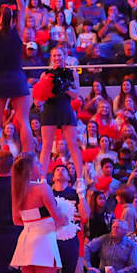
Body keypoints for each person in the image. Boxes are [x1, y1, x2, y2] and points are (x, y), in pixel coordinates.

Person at [10, 152, 62, 273]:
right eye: (38, 164)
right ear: (31, 169)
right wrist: (67, 217)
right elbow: (58, 217)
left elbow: (17, 220)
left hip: (26, 238)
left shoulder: (18, 190)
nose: (41, 166)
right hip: (43, 238)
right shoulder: (42, 188)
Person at [0, 0, 33, 162]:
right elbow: (23, 6)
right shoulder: (18, 31)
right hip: (17, 78)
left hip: (0, 80)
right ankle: (28, 157)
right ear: (12, 19)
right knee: (24, 121)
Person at [38, 47, 86, 192]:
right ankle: (42, 179)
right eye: (54, 56)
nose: (57, 58)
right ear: (51, 58)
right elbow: (40, 95)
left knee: (73, 144)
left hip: (65, 107)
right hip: (50, 108)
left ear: (64, 56)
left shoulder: (72, 73)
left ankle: (80, 179)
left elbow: (76, 94)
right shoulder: (45, 74)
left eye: (59, 55)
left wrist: (64, 88)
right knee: (46, 146)